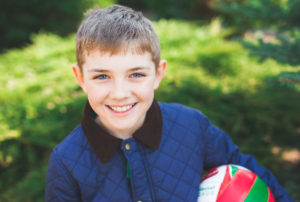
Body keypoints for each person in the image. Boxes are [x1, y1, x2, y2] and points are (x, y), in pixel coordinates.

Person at [45, 4, 293, 202]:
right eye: (102, 76)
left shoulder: (192, 126)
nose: (120, 93)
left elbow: (249, 173)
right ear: (80, 78)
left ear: (158, 74)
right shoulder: (67, 160)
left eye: (136, 74)